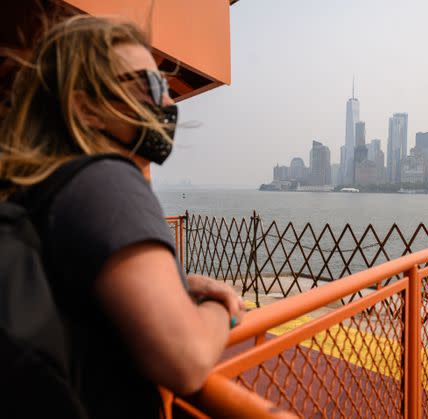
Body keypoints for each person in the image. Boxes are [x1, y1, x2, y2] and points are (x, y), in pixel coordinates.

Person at [0, 15, 245, 418]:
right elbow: (186, 358)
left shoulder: (38, 189)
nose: (168, 103)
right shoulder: (107, 178)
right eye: (151, 85)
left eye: (165, 87)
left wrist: (179, 282)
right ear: (87, 109)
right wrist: (223, 307)